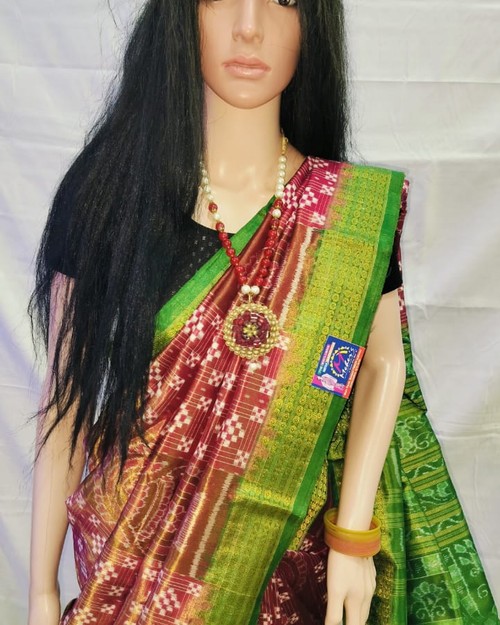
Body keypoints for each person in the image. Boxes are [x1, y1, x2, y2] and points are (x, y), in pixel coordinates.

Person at [28, 2, 498, 625]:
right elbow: (66, 402)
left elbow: (377, 369)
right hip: (133, 571)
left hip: (289, 566)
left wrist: (352, 538)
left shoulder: (348, 220)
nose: (249, 26)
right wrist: (41, 591)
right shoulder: (108, 198)